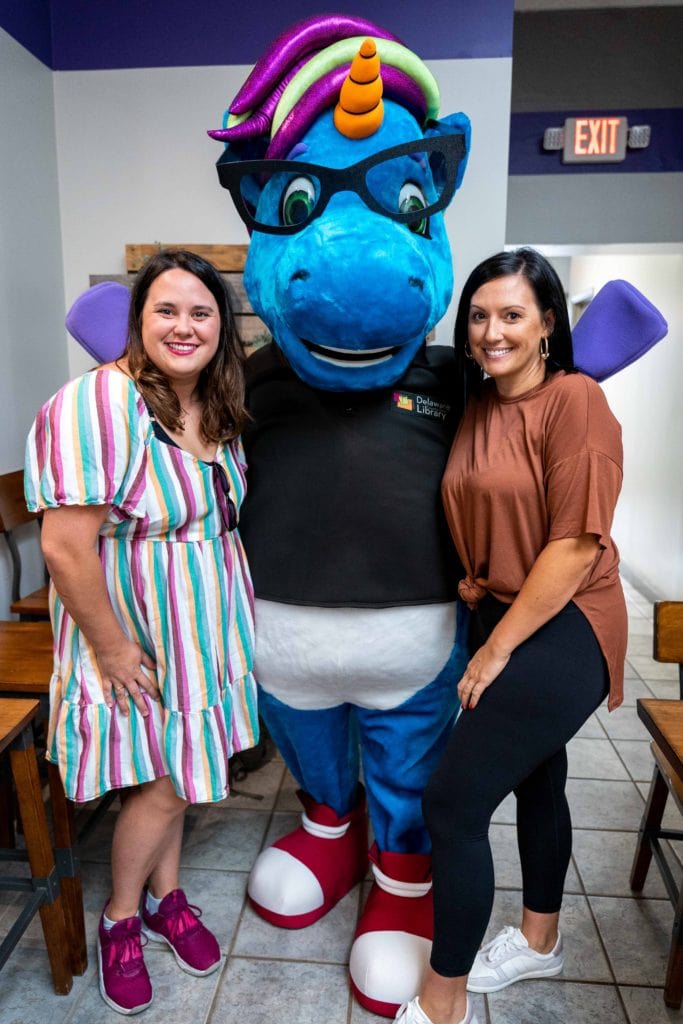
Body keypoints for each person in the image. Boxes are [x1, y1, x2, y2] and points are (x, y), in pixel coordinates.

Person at [395, 247, 627, 1024]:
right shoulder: (477, 400)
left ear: (547, 324)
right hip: (498, 609)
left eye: (512, 315)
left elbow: (573, 545)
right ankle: (537, 941)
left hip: (566, 620)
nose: (492, 331)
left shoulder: (575, 401)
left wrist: (494, 651)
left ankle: (442, 1000)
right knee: (538, 777)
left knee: (452, 803)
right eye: (479, 316)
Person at [25, 249, 257, 1015]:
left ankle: (168, 897)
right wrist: (116, 647)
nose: (184, 326)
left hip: (203, 625)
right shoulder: (97, 403)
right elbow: (63, 546)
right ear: (137, 320)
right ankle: (122, 916)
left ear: (222, 327)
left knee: (180, 768)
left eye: (201, 312)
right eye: (166, 310)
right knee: (161, 782)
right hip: (139, 624)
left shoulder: (213, 406)